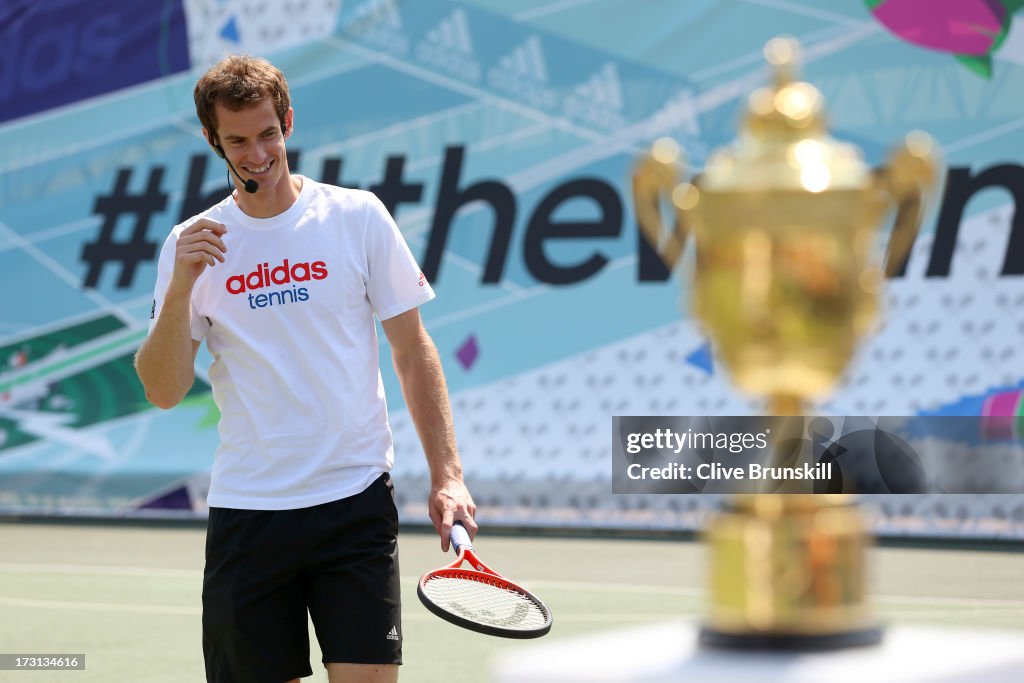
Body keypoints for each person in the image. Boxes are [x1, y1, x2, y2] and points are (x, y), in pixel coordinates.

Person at [135, 54, 476, 683]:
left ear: (287, 121)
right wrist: (181, 288)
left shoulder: (357, 216)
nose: (257, 152)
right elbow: (162, 390)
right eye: (237, 140)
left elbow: (412, 349)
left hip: (353, 503)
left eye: (268, 132)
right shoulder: (190, 244)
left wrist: (447, 476)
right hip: (248, 512)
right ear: (214, 140)